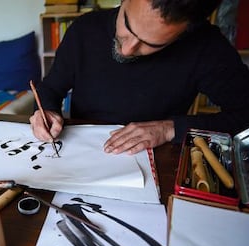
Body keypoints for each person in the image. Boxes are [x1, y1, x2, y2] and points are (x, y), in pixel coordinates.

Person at [30, 0, 249, 155]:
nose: (126, 50)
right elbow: (50, 88)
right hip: (82, 155)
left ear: (186, 31)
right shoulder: (84, 30)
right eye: (127, 25)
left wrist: (170, 129)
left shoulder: (206, 48)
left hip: (157, 163)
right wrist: (45, 111)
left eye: (151, 44)